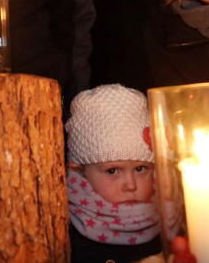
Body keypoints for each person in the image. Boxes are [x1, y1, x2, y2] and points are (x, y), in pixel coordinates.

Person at [65, 84, 161, 263]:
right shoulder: (68, 228)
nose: (131, 185)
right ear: (80, 171)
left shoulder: (170, 218)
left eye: (141, 169)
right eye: (112, 171)